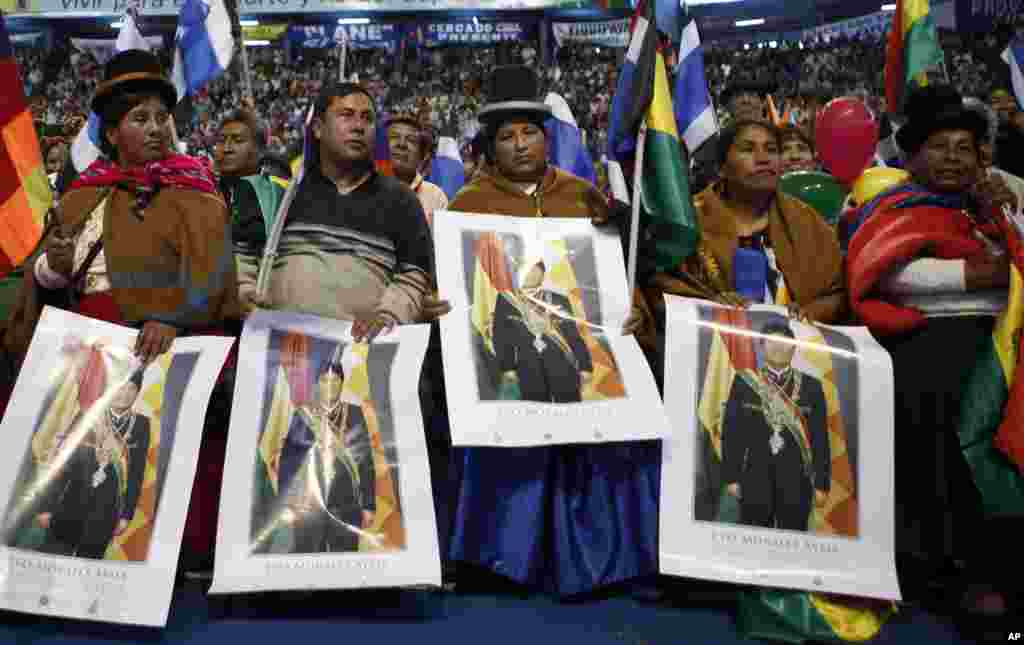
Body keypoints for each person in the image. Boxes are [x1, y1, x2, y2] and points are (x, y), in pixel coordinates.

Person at [0, 49, 240, 573]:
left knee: (142, 469)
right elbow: (43, 291)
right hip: (85, 359)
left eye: (161, 118)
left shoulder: (198, 196)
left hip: (159, 353)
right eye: (139, 119)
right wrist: (51, 270)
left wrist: (173, 316)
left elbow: (214, 277)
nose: (155, 129)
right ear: (111, 134)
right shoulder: (79, 199)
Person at [445, 65, 658, 597]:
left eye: (529, 132)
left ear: (547, 137)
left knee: (597, 446)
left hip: (577, 354)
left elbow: (622, 278)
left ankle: (606, 563)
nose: (520, 145)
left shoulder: (585, 198)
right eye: (506, 136)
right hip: (508, 360)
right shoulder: (467, 208)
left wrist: (636, 313)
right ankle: (501, 561)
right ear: (491, 147)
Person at [844, 84, 1017, 621]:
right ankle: (955, 569)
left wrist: (1006, 221)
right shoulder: (892, 205)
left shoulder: (1000, 200)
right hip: (926, 342)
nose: (952, 158)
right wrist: (975, 275)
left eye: (964, 148)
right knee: (948, 445)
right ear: (913, 155)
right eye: (939, 147)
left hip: (1003, 340)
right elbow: (884, 275)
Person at [260, 82, 433, 343]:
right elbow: (250, 260)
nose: (358, 126)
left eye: (367, 118)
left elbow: (414, 275)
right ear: (318, 128)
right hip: (279, 352)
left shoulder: (401, 200)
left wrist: (389, 316)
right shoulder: (286, 194)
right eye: (346, 115)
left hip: (359, 357)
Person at [645, 120, 845, 326]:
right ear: (722, 168)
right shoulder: (686, 222)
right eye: (748, 149)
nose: (763, 158)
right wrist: (712, 308)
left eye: (771, 150)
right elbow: (659, 291)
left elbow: (838, 293)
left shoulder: (806, 221)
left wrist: (807, 312)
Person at [253, 347, 375, 554]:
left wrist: (369, 505)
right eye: (325, 381)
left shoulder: (354, 413)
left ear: (342, 383)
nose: (330, 386)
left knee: (344, 564)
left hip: (347, 505)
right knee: (307, 560)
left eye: (335, 380)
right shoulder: (304, 415)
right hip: (309, 507)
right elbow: (288, 464)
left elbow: (365, 460)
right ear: (318, 384)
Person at [720, 320, 830, 531]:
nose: (779, 348)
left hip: (798, 481)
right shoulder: (744, 381)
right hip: (755, 477)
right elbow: (732, 431)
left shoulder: (811, 386)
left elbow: (820, 438)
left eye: (785, 343)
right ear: (762, 346)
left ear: (794, 347)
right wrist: (732, 476)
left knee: (793, 540)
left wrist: (822, 483)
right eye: (772, 343)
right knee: (754, 541)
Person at [32, 369, 151, 559]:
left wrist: (126, 515)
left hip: (106, 512)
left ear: (137, 392)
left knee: (87, 569)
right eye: (120, 388)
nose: (125, 394)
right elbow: (61, 463)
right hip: (70, 505)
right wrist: (47, 506)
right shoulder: (88, 415)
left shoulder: (141, 425)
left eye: (132, 389)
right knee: (52, 559)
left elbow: (136, 473)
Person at [492, 260, 592, 403]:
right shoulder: (506, 299)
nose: (531, 273)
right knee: (535, 410)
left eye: (535, 268)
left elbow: (573, 335)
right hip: (527, 365)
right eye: (527, 268)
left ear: (543, 273)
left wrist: (584, 366)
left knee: (570, 406)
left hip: (562, 364)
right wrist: (507, 366)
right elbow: (501, 336)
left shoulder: (558, 299)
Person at [217, 108, 287, 313]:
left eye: (237, 140)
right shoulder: (205, 192)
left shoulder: (278, 193)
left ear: (259, 150)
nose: (227, 148)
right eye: (221, 140)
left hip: (263, 307)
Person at [385, 112, 448, 225]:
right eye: (394, 137)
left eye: (411, 140)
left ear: (421, 156)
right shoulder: (363, 191)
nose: (402, 144)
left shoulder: (436, 197)